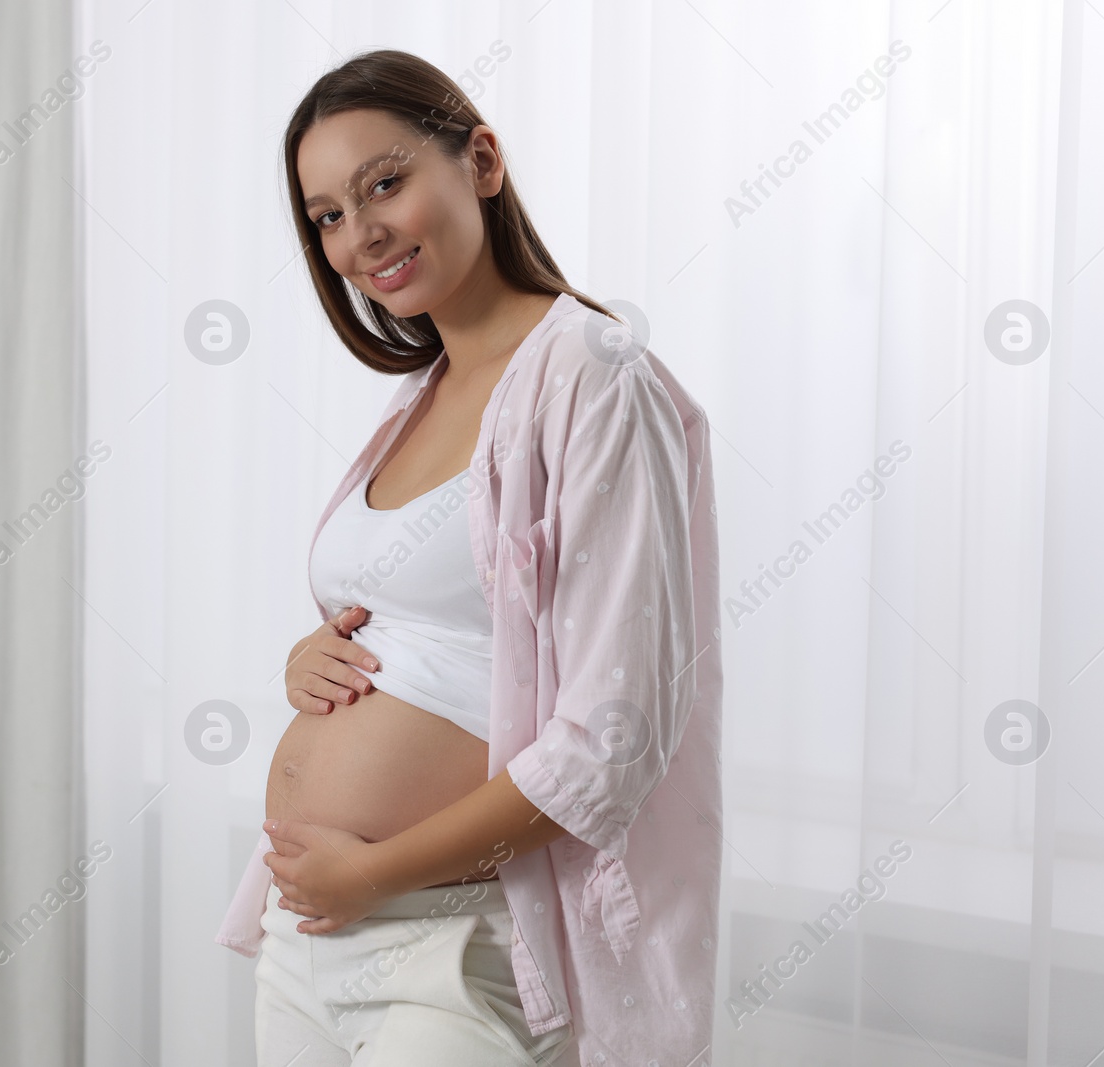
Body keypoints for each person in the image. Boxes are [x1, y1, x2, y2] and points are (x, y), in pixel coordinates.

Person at [214, 48, 724, 1067]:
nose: (359, 236)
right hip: (307, 938)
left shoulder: (592, 373)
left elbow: (612, 741)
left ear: (481, 161)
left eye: (384, 183)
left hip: (455, 940)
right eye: (325, 216)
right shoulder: (425, 394)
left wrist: (378, 869)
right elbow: (442, 622)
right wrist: (305, 660)